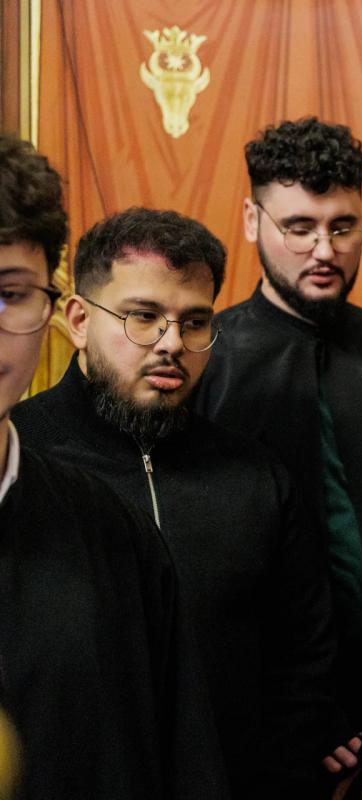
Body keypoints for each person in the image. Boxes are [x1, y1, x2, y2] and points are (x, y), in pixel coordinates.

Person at [14, 207, 346, 798]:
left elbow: (302, 664)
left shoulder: (255, 477)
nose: (172, 344)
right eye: (143, 317)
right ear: (79, 320)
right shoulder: (18, 460)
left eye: (195, 322)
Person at [193, 117, 362, 790]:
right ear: (253, 221)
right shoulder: (204, 363)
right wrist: (297, 711)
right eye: (299, 227)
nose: (324, 250)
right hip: (254, 731)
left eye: (342, 227)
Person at [0, 133, 227, 798]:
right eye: (142, 316)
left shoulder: (112, 530)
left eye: (9, 294)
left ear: (48, 308)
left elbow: (177, 757)